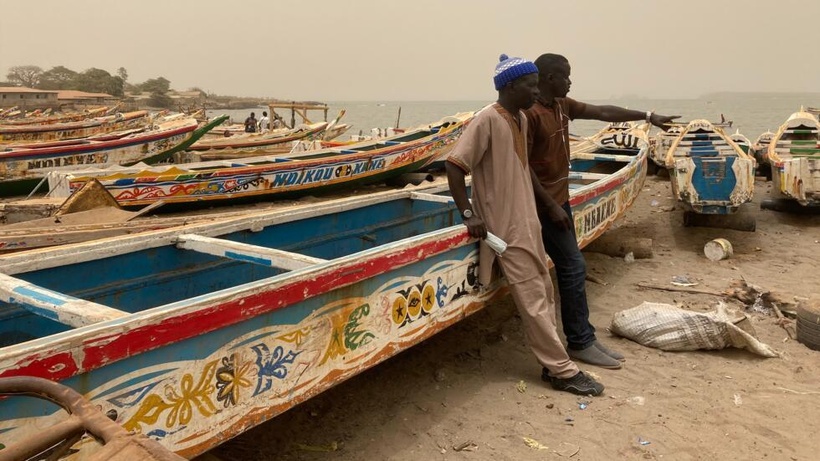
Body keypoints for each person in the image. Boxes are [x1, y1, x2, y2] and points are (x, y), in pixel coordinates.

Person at [446, 54, 605, 396]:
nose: (537, 92)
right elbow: (455, 165)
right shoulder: (487, 119)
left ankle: (554, 365)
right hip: (503, 224)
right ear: (510, 86)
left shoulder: (519, 118)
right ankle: (561, 370)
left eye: (537, 84)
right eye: (530, 85)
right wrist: (468, 214)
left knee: (545, 288)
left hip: (526, 219)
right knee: (534, 295)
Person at [524, 53, 680, 369]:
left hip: (558, 200)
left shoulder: (561, 106)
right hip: (541, 206)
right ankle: (581, 342)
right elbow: (521, 166)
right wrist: (552, 205)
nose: (570, 82)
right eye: (566, 76)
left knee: (570, 267)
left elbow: (602, 112)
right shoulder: (530, 115)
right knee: (572, 267)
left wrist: (648, 116)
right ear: (550, 78)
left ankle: (584, 339)